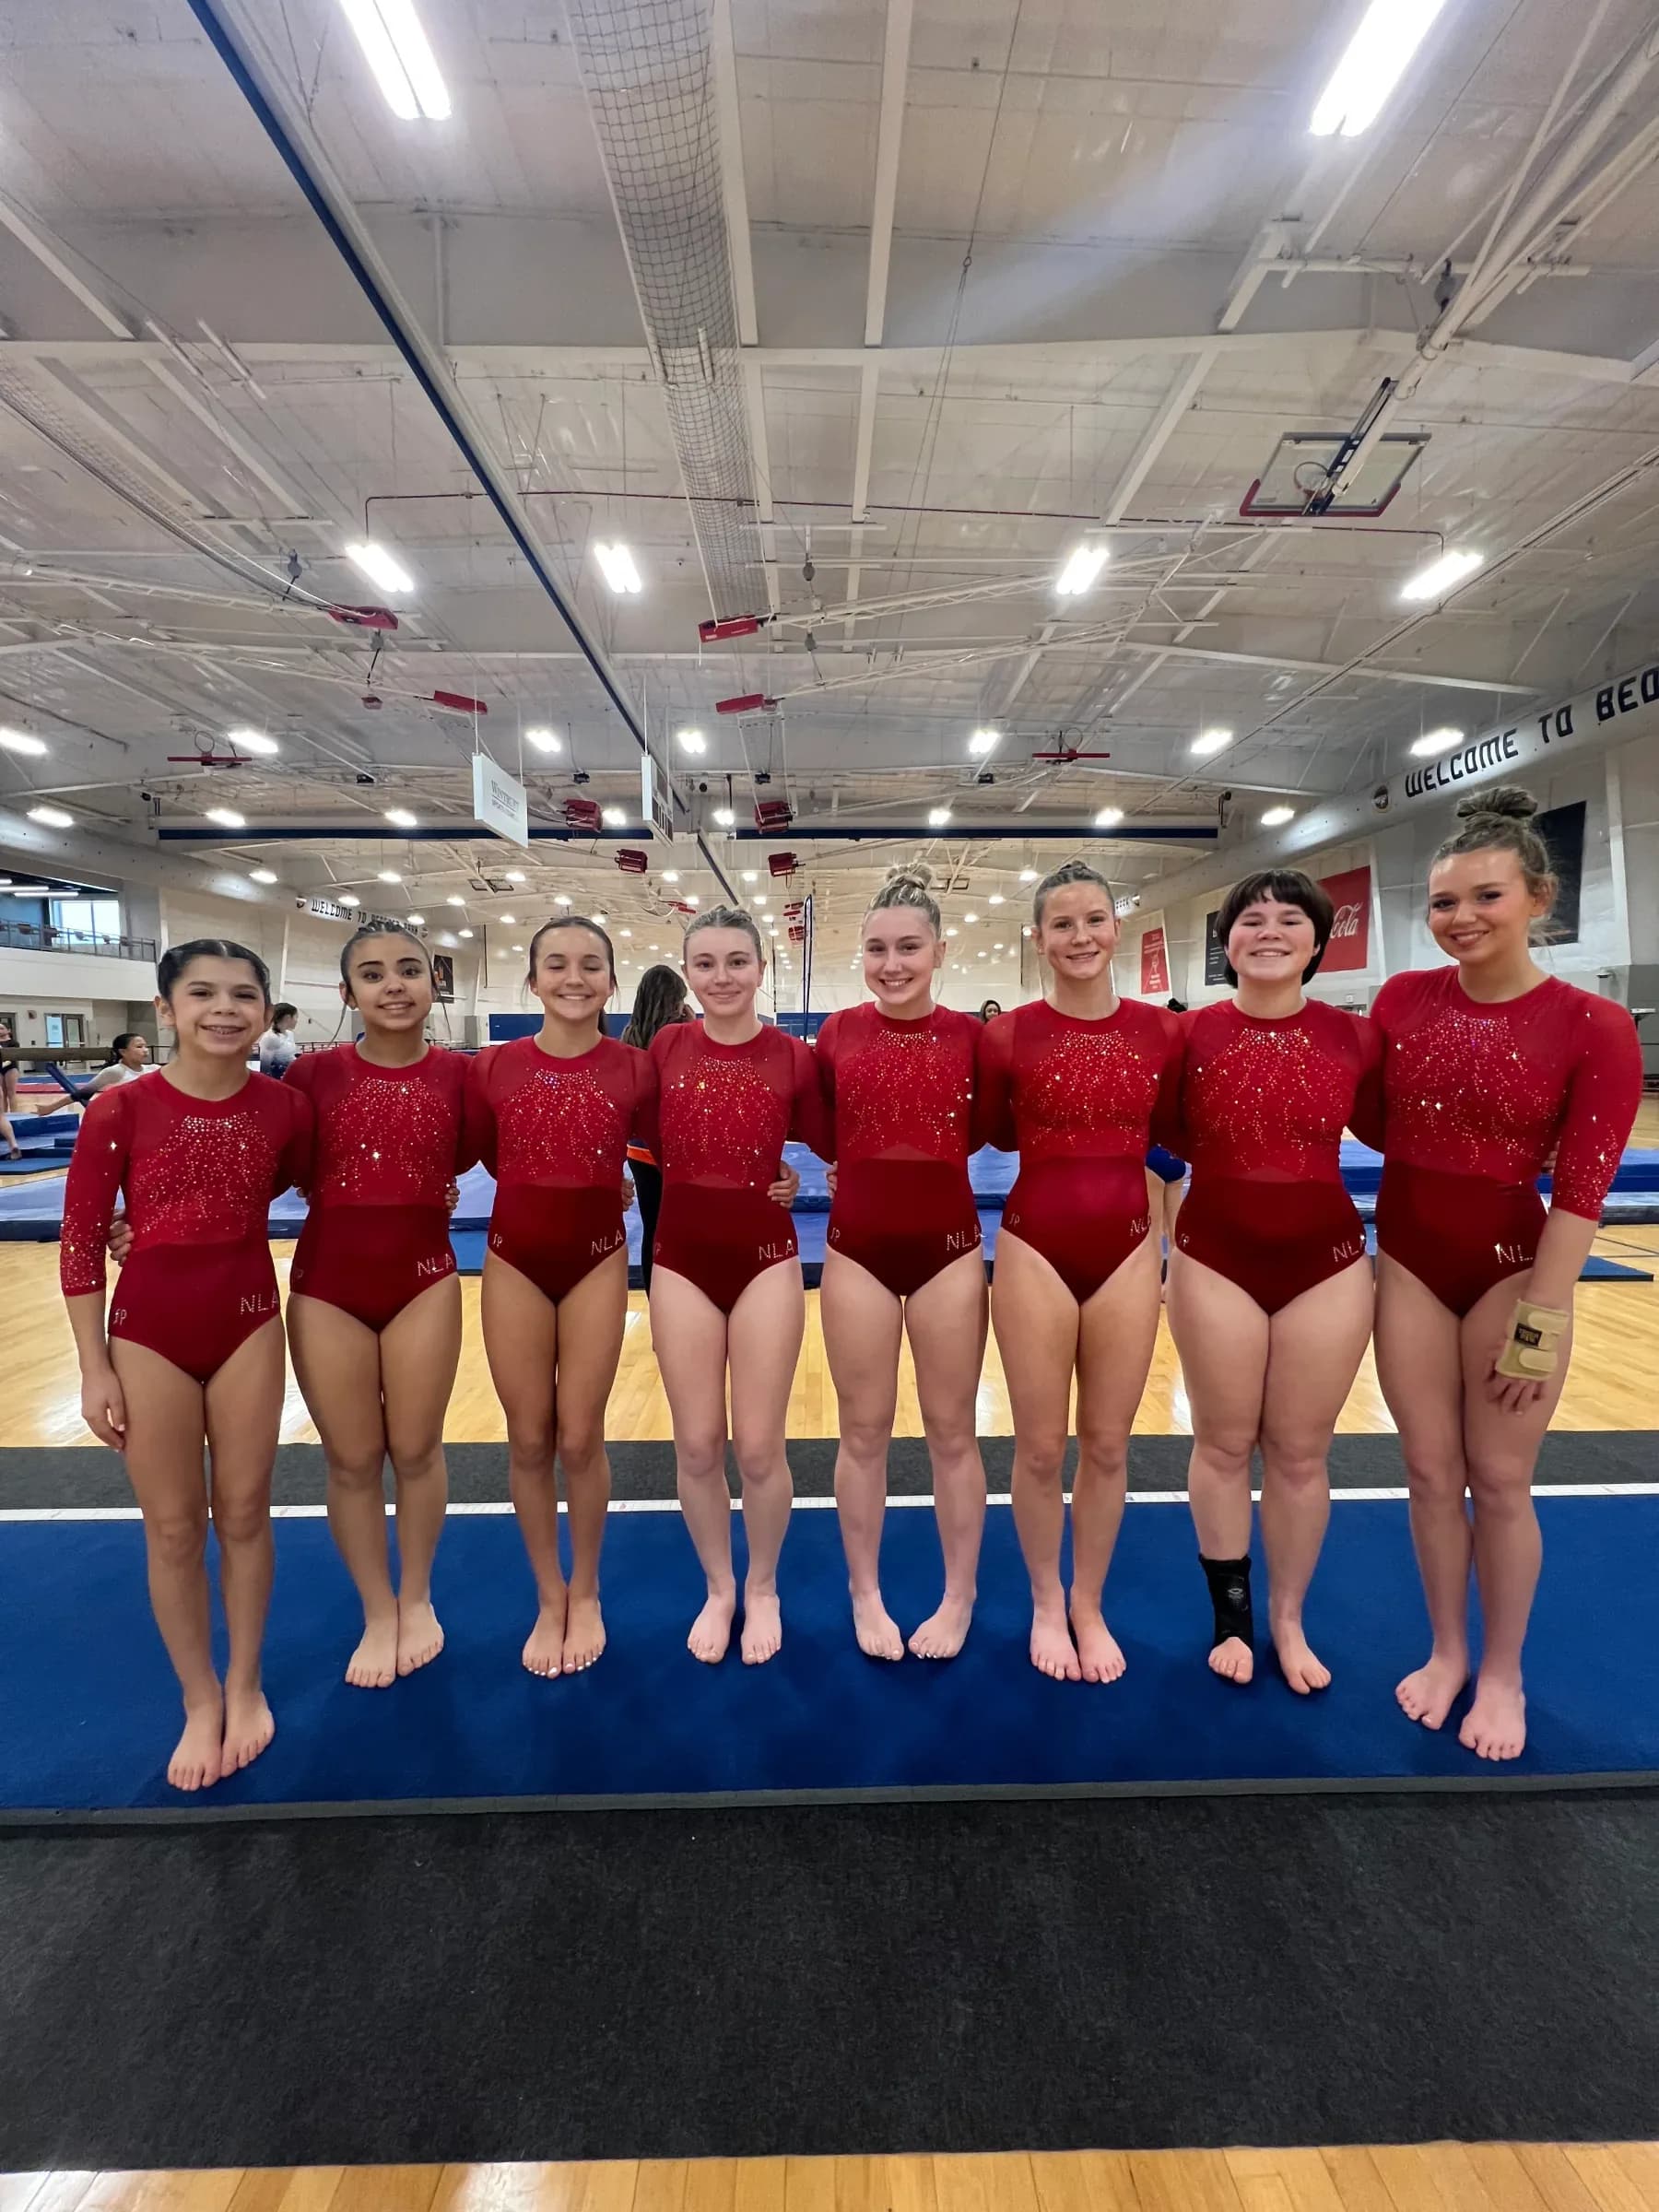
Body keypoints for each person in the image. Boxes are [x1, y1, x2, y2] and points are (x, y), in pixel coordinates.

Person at [1360, 788, 1642, 1761]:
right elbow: (1367, 1119)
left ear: (1539, 899)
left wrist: (1543, 1314)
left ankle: (1505, 1670)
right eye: (1443, 903)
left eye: (1485, 897)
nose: (1461, 919)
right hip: (1405, 1262)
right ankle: (1446, 1650)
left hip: (1512, 1271)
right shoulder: (1400, 1001)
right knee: (1430, 1472)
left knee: (1500, 1478)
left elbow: (1585, 1183)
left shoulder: (1592, 1022)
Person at [59, 940, 312, 1792]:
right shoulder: (120, 1111)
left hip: (247, 1322)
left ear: (263, 1007)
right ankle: (199, 1697)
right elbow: (81, 1244)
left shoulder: (283, 1107)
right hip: (148, 1332)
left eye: (244, 994)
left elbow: (324, 1184)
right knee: (173, 1527)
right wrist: (94, 1369)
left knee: (245, 1511)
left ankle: (245, 1682)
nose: (225, 1009)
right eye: (202, 993)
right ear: (166, 1009)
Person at [1166, 871, 1382, 1693]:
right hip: (1216, 1256)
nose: (1269, 930)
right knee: (1222, 1443)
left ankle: (1288, 1619)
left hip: (1324, 1262)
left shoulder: (1357, 1038)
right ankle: (1233, 1619)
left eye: (1290, 920)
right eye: (1250, 920)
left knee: (1300, 1452)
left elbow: (1412, 1118)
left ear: (1318, 943)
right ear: (1225, 942)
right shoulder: (1187, 1037)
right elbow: (1162, 1127)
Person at [977, 861, 1184, 1683]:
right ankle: (1042, 1601)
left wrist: (1174, 1244)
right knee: (1038, 1449)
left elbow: (1183, 1143)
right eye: (1061, 925)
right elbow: (990, 1134)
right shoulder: (1006, 1036)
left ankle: (1088, 1602)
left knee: (1105, 1445)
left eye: (1093, 920)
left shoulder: (1161, 1033)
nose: (1079, 937)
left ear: (1117, 928)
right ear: (1038, 938)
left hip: (1129, 1248)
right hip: (1033, 1246)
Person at [283, 928, 472, 1688]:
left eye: (408, 971)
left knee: (418, 1448)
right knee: (353, 1458)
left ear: (433, 984)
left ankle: (418, 1595)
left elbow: (470, 1158)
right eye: (372, 974)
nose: (393, 985)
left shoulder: (462, 1076)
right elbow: (262, 1167)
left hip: (424, 1277)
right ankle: (377, 1608)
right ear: (347, 993)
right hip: (328, 1285)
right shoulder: (310, 1075)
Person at [465, 917, 653, 1679]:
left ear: (612, 980)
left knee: (580, 1437)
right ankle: (549, 1594)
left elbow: (691, 1145)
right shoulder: (491, 1068)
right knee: (528, 1438)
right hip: (513, 1259)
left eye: (590, 965)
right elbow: (476, 1149)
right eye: (556, 965)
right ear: (532, 980)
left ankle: (588, 1586)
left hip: (598, 1260)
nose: (573, 978)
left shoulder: (638, 1069)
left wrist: (777, 1178)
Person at [648, 908, 830, 1665]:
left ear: (761, 970)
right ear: (687, 973)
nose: (721, 977)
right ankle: (718, 1585)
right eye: (705, 964)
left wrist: (792, 1177)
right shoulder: (664, 1048)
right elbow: (634, 1145)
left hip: (766, 1257)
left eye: (736, 962)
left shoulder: (792, 1057)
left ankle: (763, 1586)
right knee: (696, 1445)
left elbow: (836, 1139)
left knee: (758, 1446)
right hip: (680, 1258)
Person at [816, 866, 987, 1661]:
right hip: (856, 1251)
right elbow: (823, 1128)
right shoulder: (837, 1035)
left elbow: (986, 1128)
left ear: (940, 950)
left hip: (949, 1251)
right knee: (862, 1432)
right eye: (878, 948)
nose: (892, 963)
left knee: (954, 1432)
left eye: (909, 947)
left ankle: (960, 1595)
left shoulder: (972, 1039)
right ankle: (866, 1593)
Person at [620, 962, 693, 1291]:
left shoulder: (629, 1037)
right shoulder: (678, 1036)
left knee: (653, 1226)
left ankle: (657, 1301)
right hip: (672, 1148)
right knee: (681, 1229)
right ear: (673, 1000)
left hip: (639, 1150)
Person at [37, 1032, 151, 1110]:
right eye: (139, 1047)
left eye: (145, 1046)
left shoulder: (154, 1069)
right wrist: (50, 1108)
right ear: (123, 1052)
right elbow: (83, 1094)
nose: (145, 1050)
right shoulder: (116, 1072)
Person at [258, 1004, 299, 1078]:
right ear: (288, 1017)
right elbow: (264, 1067)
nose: (297, 1021)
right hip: (277, 1077)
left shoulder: (290, 1034)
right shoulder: (271, 1038)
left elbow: (291, 1057)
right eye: (296, 1017)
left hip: (291, 1073)